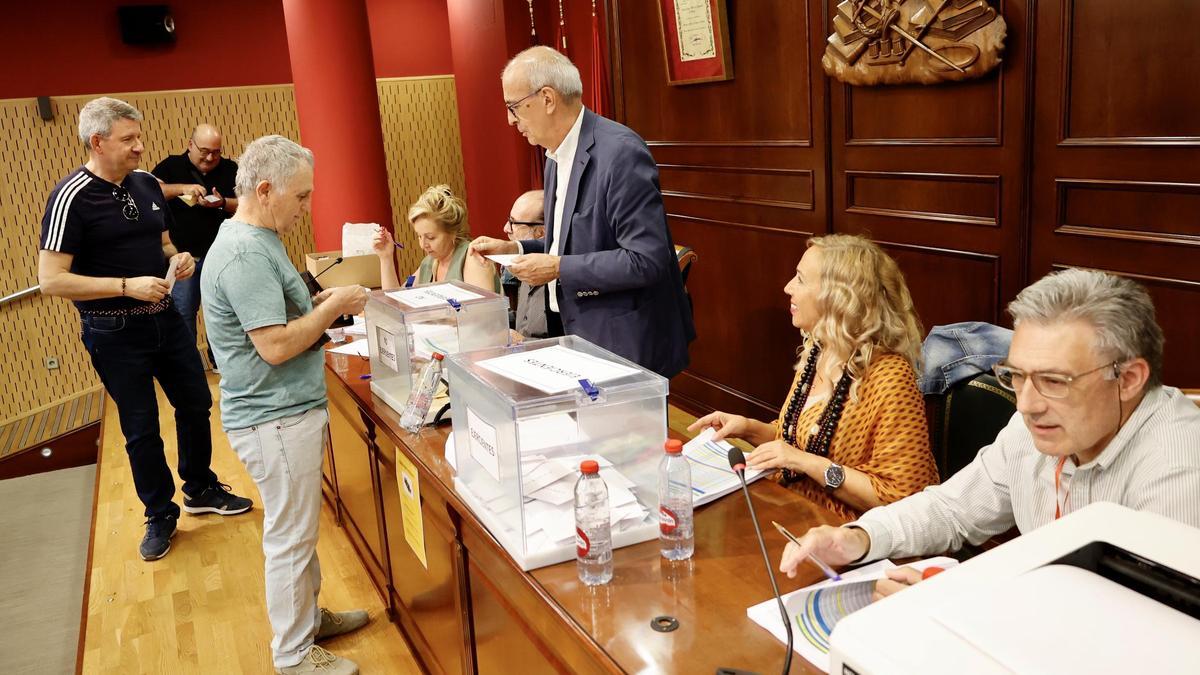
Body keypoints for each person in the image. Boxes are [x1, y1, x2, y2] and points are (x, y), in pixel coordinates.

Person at [778, 268, 1200, 598]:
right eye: (1016, 376)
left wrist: (966, 597)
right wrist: (858, 539)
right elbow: (953, 509)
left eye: (1055, 381)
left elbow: (1134, 629)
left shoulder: (1179, 468)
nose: (1028, 404)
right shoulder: (1040, 422)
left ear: (1127, 379)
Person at [37, 97, 252, 562]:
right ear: (97, 142)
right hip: (113, 331)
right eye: (128, 139)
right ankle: (160, 513)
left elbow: (162, 241)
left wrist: (176, 257)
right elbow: (51, 280)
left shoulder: (147, 185)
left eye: (139, 136)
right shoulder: (70, 196)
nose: (140, 147)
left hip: (166, 321)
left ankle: (200, 487)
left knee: (196, 403)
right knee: (141, 428)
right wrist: (124, 286)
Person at [201, 135, 370, 675]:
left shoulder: (259, 235)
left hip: (284, 411)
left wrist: (316, 305)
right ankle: (295, 655)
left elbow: (278, 316)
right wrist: (336, 306)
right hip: (274, 416)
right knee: (291, 538)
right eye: (301, 197)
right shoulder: (246, 251)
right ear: (266, 189)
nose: (306, 208)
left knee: (298, 529)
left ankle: (307, 620)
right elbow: (274, 346)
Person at [468, 46, 695, 378]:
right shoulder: (554, 155)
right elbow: (571, 243)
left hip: (624, 344)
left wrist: (558, 267)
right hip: (575, 333)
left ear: (547, 99)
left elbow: (647, 260)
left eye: (514, 107)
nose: (510, 119)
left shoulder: (620, 153)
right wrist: (516, 248)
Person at [688, 234, 939, 520]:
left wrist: (807, 463)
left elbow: (905, 498)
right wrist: (747, 427)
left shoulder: (891, 378)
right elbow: (799, 439)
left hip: (852, 534)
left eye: (800, 279)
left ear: (839, 297)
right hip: (796, 509)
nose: (787, 287)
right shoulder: (820, 349)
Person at [151, 123, 239, 363]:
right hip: (183, 259)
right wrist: (182, 188)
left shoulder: (231, 168)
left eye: (216, 152)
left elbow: (248, 203)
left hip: (222, 259)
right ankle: (187, 365)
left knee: (223, 313)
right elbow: (151, 192)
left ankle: (221, 361)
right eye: (204, 151)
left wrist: (222, 203)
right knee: (183, 312)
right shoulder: (171, 165)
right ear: (190, 145)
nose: (210, 157)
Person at [374, 184, 499, 292]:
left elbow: (483, 315)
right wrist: (386, 257)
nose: (423, 245)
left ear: (452, 232)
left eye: (431, 237)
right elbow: (396, 301)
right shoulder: (429, 263)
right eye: (419, 236)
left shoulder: (472, 258)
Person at [504, 190, 549, 339]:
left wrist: (524, 342)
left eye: (513, 223)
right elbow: (521, 322)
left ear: (541, 233)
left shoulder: (561, 277)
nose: (506, 228)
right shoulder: (519, 264)